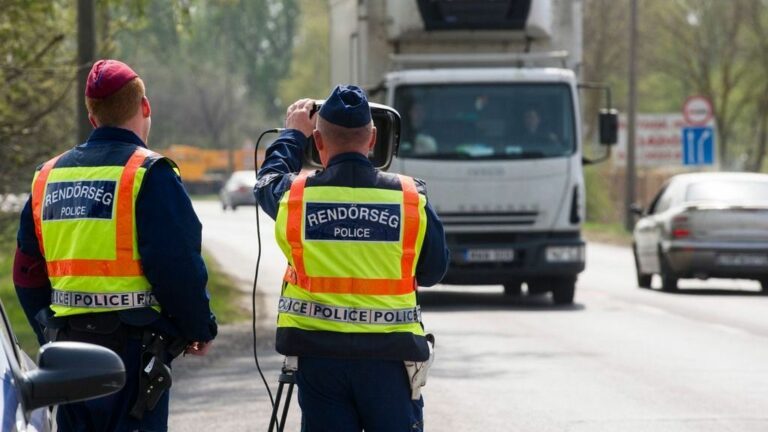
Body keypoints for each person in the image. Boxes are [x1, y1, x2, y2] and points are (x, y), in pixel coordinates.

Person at [12, 59, 217, 432]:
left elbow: (25, 274)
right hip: (134, 361)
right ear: (145, 106)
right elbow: (177, 267)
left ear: (92, 118)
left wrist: (50, 335)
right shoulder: (148, 174)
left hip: (70, 361)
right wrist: (198, 327)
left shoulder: (47, 176)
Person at [255, 85, 449, 431]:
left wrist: (291, 135)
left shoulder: (295, 197)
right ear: (373, 138)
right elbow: (434, 271)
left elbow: (266, 180)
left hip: (318, 358)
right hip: (391, 361)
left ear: (317, 141)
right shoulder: (409, 197)